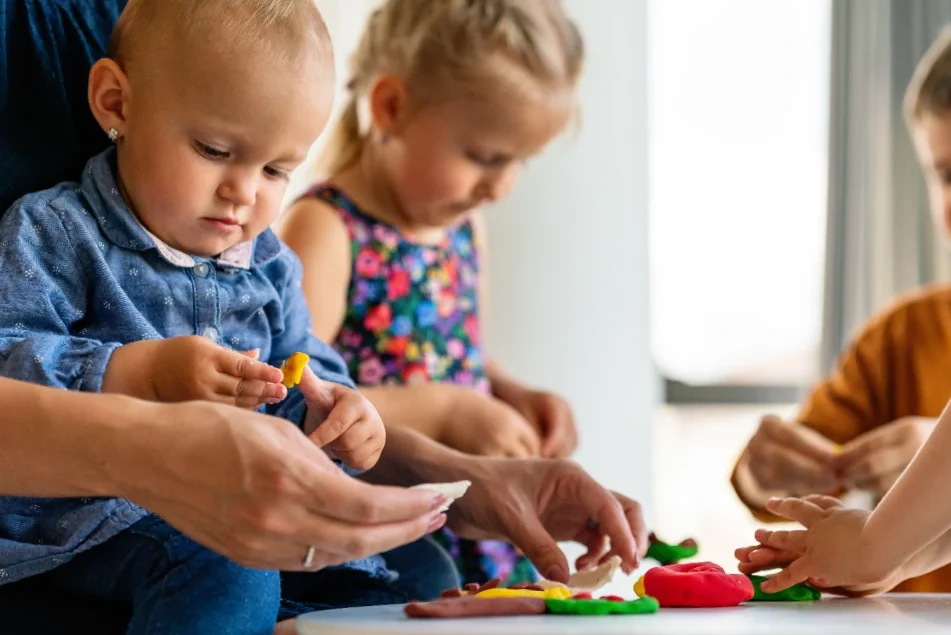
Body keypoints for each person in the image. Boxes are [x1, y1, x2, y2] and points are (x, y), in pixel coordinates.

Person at [0, 1, 648, 632]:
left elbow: (304, 368)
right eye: (214, 149)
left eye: (278, 168)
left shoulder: (267, 262)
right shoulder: (53, 232)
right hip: (88, 523)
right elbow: (10, 349)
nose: (244, 192)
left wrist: (341, 412)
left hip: (241, 513)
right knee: (227, 574)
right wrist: (129, 372)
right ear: (116, 103)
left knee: (420, 568)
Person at [277, 0, 581, 586]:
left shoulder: (464, 229)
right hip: (385, 530)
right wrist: (447, 410)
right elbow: (298, 401)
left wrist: (510, 393)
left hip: (474, 519)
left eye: (519, 162)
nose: (501, 186)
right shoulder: (326, 229)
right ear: (391, 107)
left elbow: (462, 352)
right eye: (485, 157)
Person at [735, 25, 951, 597]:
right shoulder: (903, 335)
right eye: (947, 174)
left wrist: (875, 546)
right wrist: (880, 551)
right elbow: (786, 475)